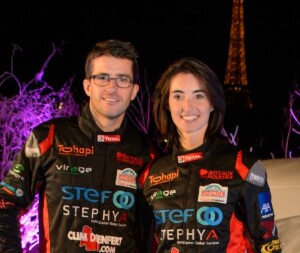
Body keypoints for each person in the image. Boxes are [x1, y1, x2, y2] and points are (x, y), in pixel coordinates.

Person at [0, 39, 157, 253]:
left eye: (122, 79)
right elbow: (5, 203)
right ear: (87, 86)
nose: (112, 87)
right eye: (103, 78)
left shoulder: (147, 151)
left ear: (134, 90)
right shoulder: (50, 137)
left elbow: (156, 230)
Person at [141, 57, 282, 252]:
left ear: (213, 102)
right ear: (167, 104)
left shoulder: (244, 166)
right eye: (178, 96)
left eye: (199, 95)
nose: (188, 106)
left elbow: (268, 242)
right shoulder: (151, 172)